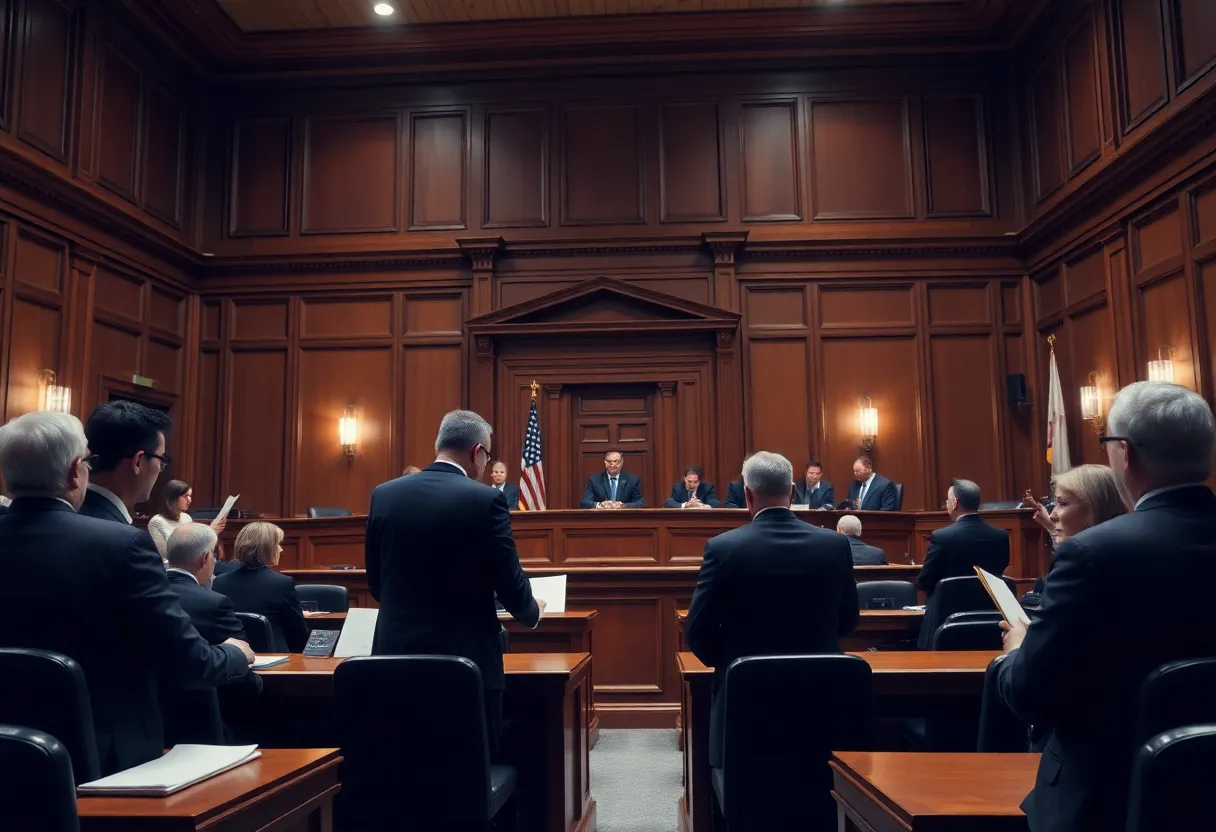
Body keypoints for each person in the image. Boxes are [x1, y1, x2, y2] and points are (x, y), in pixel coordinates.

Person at [998, 382, 1216, 832]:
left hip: (1106, 804)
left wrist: (1016, 648)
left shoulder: (1093, 554)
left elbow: (1029, 694)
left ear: (1125, 453)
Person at [0, 412, 253, 776]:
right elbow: (187, 663)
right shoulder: (122, 543)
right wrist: (235, 654)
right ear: (76, 471)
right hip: (107, 767)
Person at [365, 410, 541, 757]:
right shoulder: (486, 499)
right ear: (477, 452)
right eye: (487, 456)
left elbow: (376, 582)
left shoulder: (384, 494)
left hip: (395, 657)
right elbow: (508, 578)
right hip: (465, 664)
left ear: (438, 444)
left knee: (402, 762)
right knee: (466, 771)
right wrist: (531, 612)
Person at [685, 451, 858, 771]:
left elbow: (696, 631)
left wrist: (733, 662)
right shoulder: (835, 545)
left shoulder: (722, 548)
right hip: (819, 705)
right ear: (793, 492)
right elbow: (848, 621)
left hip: (745, 707)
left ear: (747, 495)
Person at [164, 523, 262, 700]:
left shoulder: (145, 594)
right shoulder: (214, 602)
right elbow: (243, 661)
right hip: (209, 711)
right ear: (205, 558)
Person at [916, 479, 1009, 649]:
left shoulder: (941, 537)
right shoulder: (1001, 536)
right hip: (990, 623)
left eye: (948, 499)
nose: (946, 503)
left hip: (945, 623)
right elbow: (1000, 570)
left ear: (955, 503)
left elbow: (925, 580)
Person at [1019, 466, 1127, 606]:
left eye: (1062, 504)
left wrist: (1022, 629)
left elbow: (1055, 624)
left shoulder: (1078, 560)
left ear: (1093, 509)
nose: (1052, 515)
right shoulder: (1127, 550)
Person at [213, 522, 309, 653]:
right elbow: (298, 633)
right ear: (267, 548)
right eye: (278, 544)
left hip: (233, 657)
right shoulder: (281, 583)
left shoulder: (219, 581)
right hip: (276, 659)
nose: (281, 550)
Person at [79, 400, 171, 524]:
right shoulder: (132, 540)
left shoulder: (51, 518)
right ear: (138, 462)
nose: (161, 468)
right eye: (161, 460)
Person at [148, 479, 227, 558]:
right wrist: (210, 530)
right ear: (173, 498)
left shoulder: (186, 518)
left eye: (190, 496)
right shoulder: (156, 522)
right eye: (186, 496)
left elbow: (195, 548)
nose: (189, 500)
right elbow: (168, 555)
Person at [580, 449, 645, 509]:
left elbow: (641, 503)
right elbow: (584, 502)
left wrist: (623, 505)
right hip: (601, 518)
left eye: (616, 461)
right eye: (609, 461)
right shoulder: (595, 480)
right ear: (605, 462)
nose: (612, 464)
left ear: (621, 462)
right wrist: (600, 505)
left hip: (624, 518)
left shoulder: (632, 480)